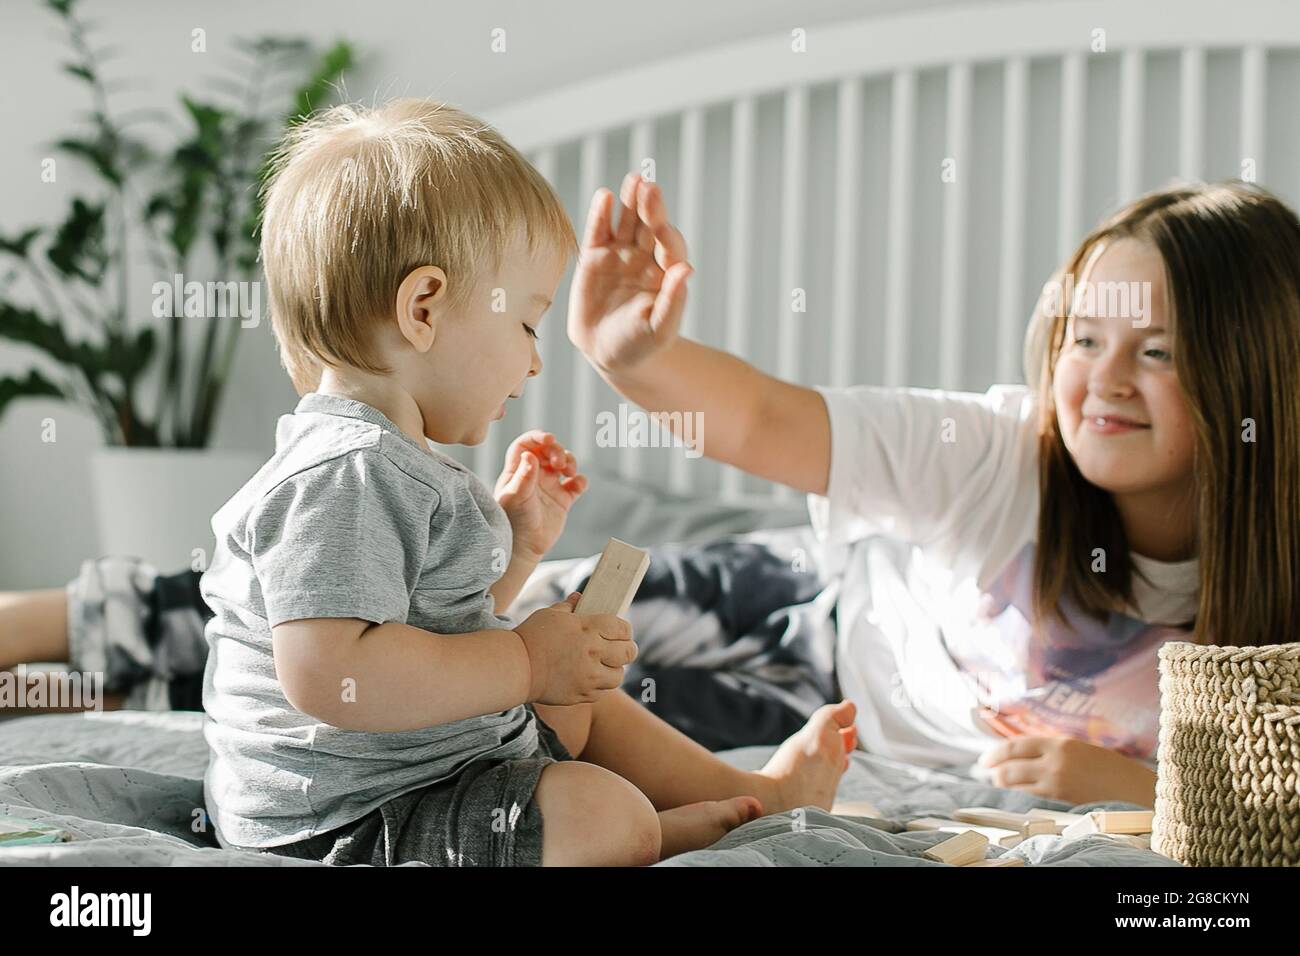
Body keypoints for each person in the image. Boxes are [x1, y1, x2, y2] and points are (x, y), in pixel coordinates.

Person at [568, 173, 1300, 810]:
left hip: (832, 726)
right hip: (821, 598)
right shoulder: (997, 449)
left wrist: (1147, 789)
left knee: (571, 731)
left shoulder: (1275, 595)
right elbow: (764, 419)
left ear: (1257, 376)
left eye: (1156, 351)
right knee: (533, 621)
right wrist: (637, 361)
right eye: (1084, 340)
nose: (1104, 379)